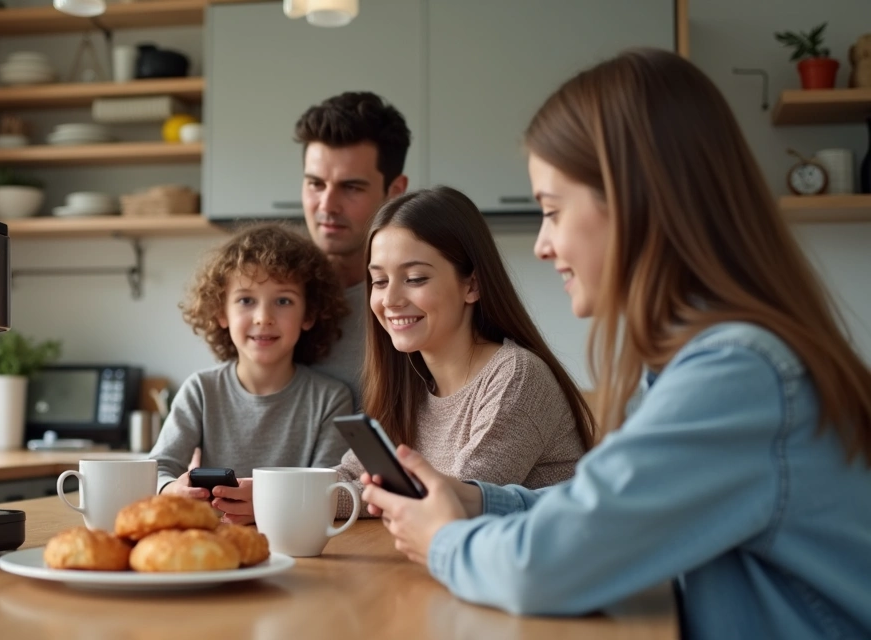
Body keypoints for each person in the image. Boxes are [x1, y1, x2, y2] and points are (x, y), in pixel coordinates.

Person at [361, 49, 871, 639]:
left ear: (635, 201)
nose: (542, 246)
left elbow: (551, 565)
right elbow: (596, 511)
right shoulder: (697, 363)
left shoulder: (737, 374)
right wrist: (477, 500)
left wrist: (446, 541)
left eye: (552, 212)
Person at [212, 187, 594, 523]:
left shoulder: (515, 377)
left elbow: (449, 504)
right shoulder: (409, 381)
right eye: (379, 280)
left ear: (472, 285)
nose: (390, 300)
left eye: (415, 278)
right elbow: (352, 479)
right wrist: (270, 495)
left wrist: (321, 499)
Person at [151, 223, 352, 503]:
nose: (263, 317)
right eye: (246, 300)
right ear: (221, 312)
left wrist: (264, 502)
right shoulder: (201, 390)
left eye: (283, 301)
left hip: (294, 540)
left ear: (309, 314)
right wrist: (172, 489)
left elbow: (325, 489)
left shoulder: (331, 399)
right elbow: (158, 468)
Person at [295, 91, 412, 408]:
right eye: (315, 184)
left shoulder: (411, 304)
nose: (327, 205)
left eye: (351, 187)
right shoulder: (272, 294)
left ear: (394, 191)